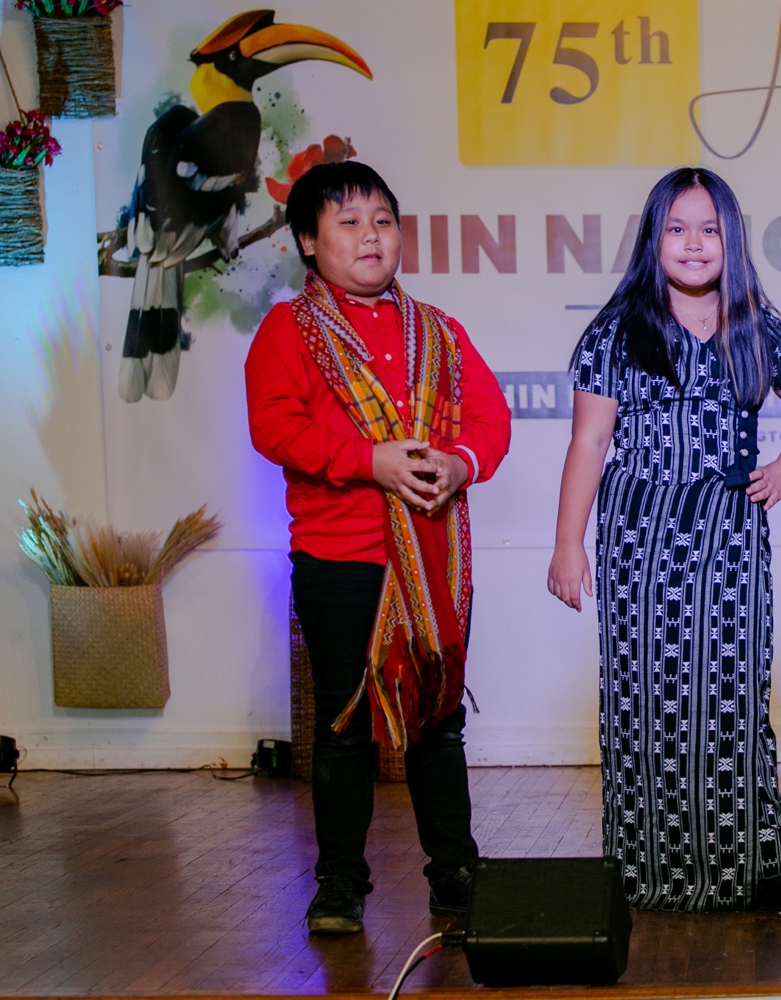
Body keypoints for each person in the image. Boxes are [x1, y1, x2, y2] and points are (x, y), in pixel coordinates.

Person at [547, 167, 781, 914]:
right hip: (639, 537)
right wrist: (569, 544)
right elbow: (588, 443)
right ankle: (646, 868)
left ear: (731, 241)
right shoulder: (616, 332)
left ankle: (764, 865)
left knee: (734, 698)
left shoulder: (758, 327)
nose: (694, 243)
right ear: (653, 240)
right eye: (677, 228)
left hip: (728, 536)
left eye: (710, 229)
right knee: (645, 699)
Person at [246, 161, 511, 934]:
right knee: (344, 726)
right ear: (307, 240)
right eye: (349, 222)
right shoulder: (288, 331)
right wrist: (371, 461)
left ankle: (455, 875)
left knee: (438, 720)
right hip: (340, 560)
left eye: (383, 221)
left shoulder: (439, 330)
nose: (371, 236)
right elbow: (277, 428)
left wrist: (460, 464)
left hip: (432, 558)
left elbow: (490, 420)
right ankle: (340, 884)